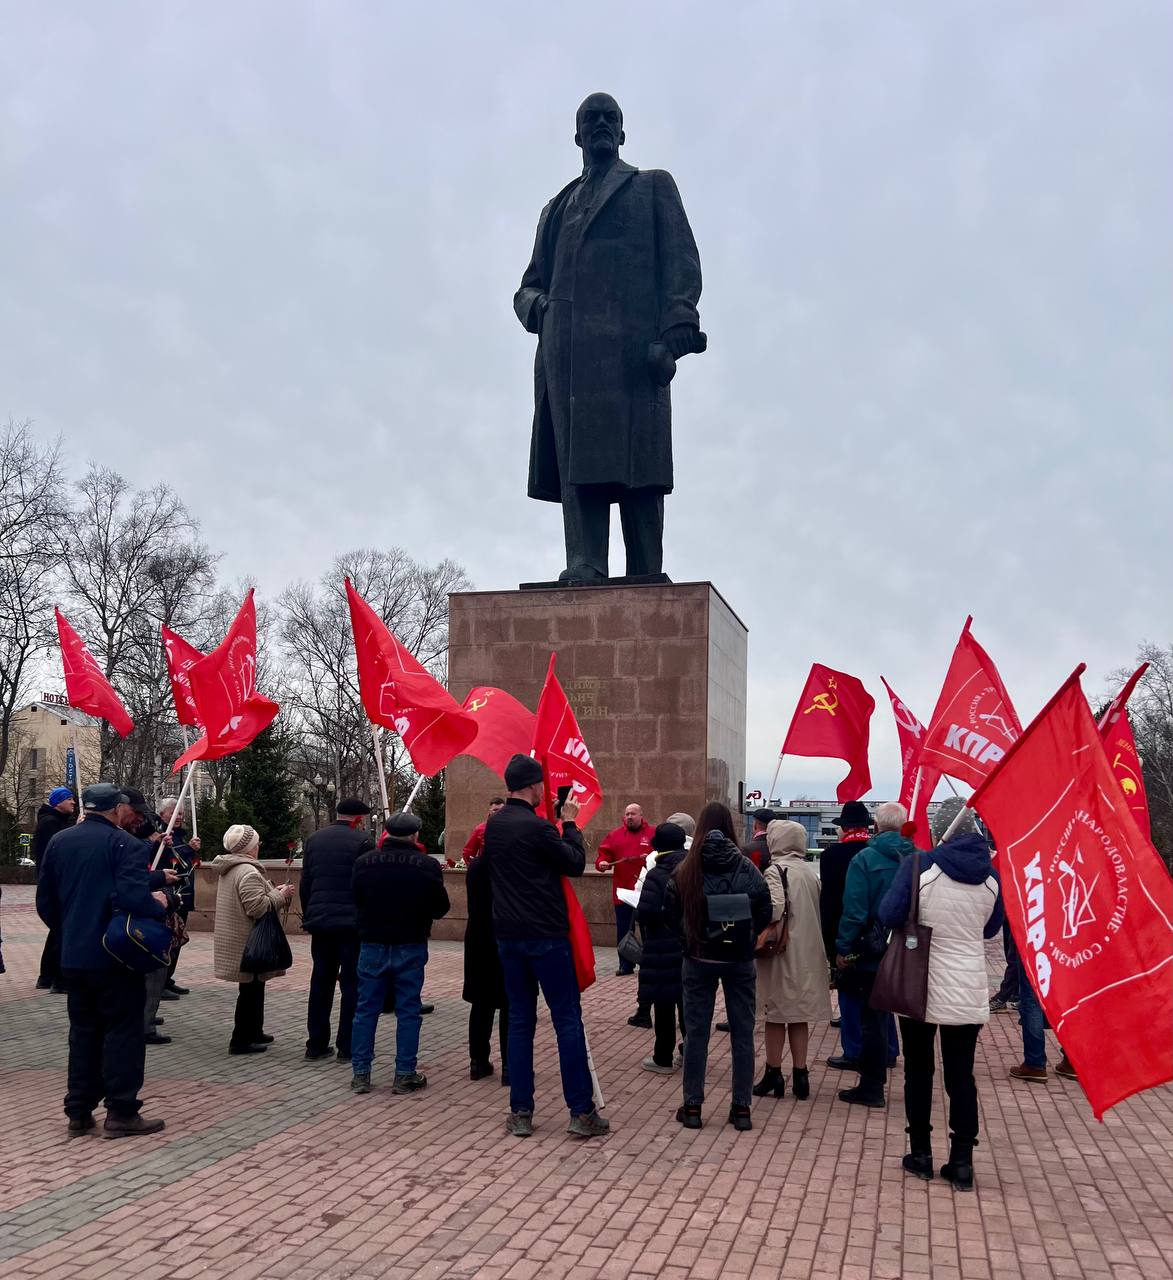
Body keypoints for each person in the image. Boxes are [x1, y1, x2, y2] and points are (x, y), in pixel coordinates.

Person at [514, 92, 704, 583]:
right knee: (578, 457)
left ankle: (645, 571)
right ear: (577, 135)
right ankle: (586, 561)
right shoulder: (555, 208)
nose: (600, 124)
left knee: (640, 465)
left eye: (609, 118)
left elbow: (681, 259)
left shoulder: (651, 186)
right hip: (568, 354)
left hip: (632, 349)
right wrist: (539, 308)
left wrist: (678, 324)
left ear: (622, 132)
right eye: (591, 118)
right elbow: (529, 284)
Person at [879, 796, 1003, 1191]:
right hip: (967, 986)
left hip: (919, 983)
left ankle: (921, 1153)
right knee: (961, 1075)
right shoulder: (991, 878)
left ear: (941, 830)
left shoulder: (920, 866)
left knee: (918, 1071)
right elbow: (990, 929)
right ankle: (962, 1161)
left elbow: (889, 914)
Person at [485, 753, 608, 1139]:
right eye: (541, 784)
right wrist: (568, 823)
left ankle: (521, 1111)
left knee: (520, 1022)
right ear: (533, 786)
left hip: (509, 937)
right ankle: (580, 1111)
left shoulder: (495, 826)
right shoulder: (538, 828)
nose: (545, 790)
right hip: (547, 938)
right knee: (566, 1019)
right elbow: (573, 863)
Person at [35, 783, 168, 1138]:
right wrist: (160, 903)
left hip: (74, 956)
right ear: (117, 809)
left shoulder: (60, 841)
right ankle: (121, 1111)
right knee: (123, 1032)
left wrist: (68, 931)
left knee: (83, 1033)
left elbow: (45, 900)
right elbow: (134, 898)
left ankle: (79, 1110)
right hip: (115, 955)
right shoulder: (126, 845)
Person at [665, 801, 772, 1131]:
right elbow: (764, 907)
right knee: (742, 1032)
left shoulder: (687, 868)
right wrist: (748, 937)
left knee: (696, 1033)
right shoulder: (745, 867)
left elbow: (669, 911)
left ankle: (692, 1106)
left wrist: (688, 940)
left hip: (699, 958)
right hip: (739, 959)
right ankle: (741, 1108)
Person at [349, 811, 450, 1095]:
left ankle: (361, 1073)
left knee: (366, 1009)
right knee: (408, 1010)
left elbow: (355, 898)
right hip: (410, 943)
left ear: (387, 833)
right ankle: (404, 1073)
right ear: (415, 835)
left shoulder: (364, 862)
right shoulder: (427, 865)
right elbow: (440, 908)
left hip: (372, 943)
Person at [834, 801, 915, 1109]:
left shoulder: (865, 859)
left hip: (873, 951)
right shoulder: (919, 859)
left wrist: (844, 948)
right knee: (910, 1020)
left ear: (876, 827)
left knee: (872, 1018)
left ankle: (872, 1086)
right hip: (909, 950)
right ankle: (913, 1087)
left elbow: (854, 910)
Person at [752, 820, 830, 1101]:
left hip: (782, 953)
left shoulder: (775, 871)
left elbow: (774, 910)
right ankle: (801, 1075)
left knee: (774, 1013)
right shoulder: (809, 872)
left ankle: (773, 1072)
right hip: (808, 951)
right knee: (799, 1016)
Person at [819, 800, 895, 1070]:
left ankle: (853, 1051)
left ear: (844, 827)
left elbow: (830, 904)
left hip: (851, 935)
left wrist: (834, 946)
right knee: (882, 996)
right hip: (885, 936)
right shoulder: (882, 852)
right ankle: (889, 1049)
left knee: (849, 993)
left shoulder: (832, 856)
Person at [300, 797, 374, 1063]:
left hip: (321, 922)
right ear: (358, 819)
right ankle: (347, 1046)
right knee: (352, 984)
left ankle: (316, 1044)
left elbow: (306, 882)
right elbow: (366, 884)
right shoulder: (363, 841)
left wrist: (309, 913)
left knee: (321, 981)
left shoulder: (314, 840)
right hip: (351, 925)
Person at [212, 824, 293, 1055]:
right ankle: (241, 1040)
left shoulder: (232, 868)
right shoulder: (247, 871)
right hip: (248, 940)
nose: (259, 846)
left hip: (239, 938)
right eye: (257, 843)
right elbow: (257, 908)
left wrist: (272, 891)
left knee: (254, 988)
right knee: (250, 991)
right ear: (249, 847)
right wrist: (280, 895)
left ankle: (255, 1031)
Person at [635, 822, 689, 1073]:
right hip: (690, 946)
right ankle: (691, 1052)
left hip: (661, 947)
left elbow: (645, 912)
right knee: (688, 1002)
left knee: (664, 1003)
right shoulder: (695, 869)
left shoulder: (657, 873)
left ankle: (663, 1057)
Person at [462, 849, 509, 1082]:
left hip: (478, 939)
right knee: (511, 1004)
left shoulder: (476, 866)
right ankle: (511, 1065)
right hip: (507, 939)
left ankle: (477, 1062)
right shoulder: (512, 865)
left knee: (481, 1004)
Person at [596, 802, 654, 982]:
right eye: (627, 814)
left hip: (646, 892)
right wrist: (602, 863)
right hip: (622, 892)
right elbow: (604, 855)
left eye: (633, 813)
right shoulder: (615, 835)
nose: (629, 817)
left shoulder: (652, 833)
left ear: (641, 815)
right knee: (623, 930)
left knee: (648, 930)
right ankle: (625, 964)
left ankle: (650, 963)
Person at [33, 786, 77, 992]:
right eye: (69, 799)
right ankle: (56, 977)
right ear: (58, 802)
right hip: (55, 883)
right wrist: (76, 828)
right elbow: (60, 847)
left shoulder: (55, 821)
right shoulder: (50, 823)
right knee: (60, 930)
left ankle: (47, 975)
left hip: (56, 882)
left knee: (58, 930)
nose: (73, 802)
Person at [156, 798, 200, 999]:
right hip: (169, 893)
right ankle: (160, 981)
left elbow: (186, 863)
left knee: (177, 938)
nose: (179, 816)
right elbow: (170, 858)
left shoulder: (180, 835)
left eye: (181, 813)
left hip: (183, 893)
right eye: (174, 812)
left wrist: (192, 850)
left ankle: (168, 978)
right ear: (162, 814)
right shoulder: (160, 834)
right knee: (167, 938)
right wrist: (189, 849)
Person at [462, 798, 505, 863]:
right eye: (495, 810)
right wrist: (474, 866)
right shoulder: (480, 829)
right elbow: (468, 853)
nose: (498, 812)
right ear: (490, 811)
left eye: (501, 810)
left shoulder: (512, 828)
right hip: (486, 867)